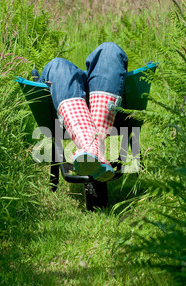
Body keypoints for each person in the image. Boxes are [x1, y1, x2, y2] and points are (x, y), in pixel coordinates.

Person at [39, 42, 128, 182]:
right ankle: (95, 148)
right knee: (59, 65)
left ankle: (91, 148)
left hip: (65, 121)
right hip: (116, 119)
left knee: (109, 50)